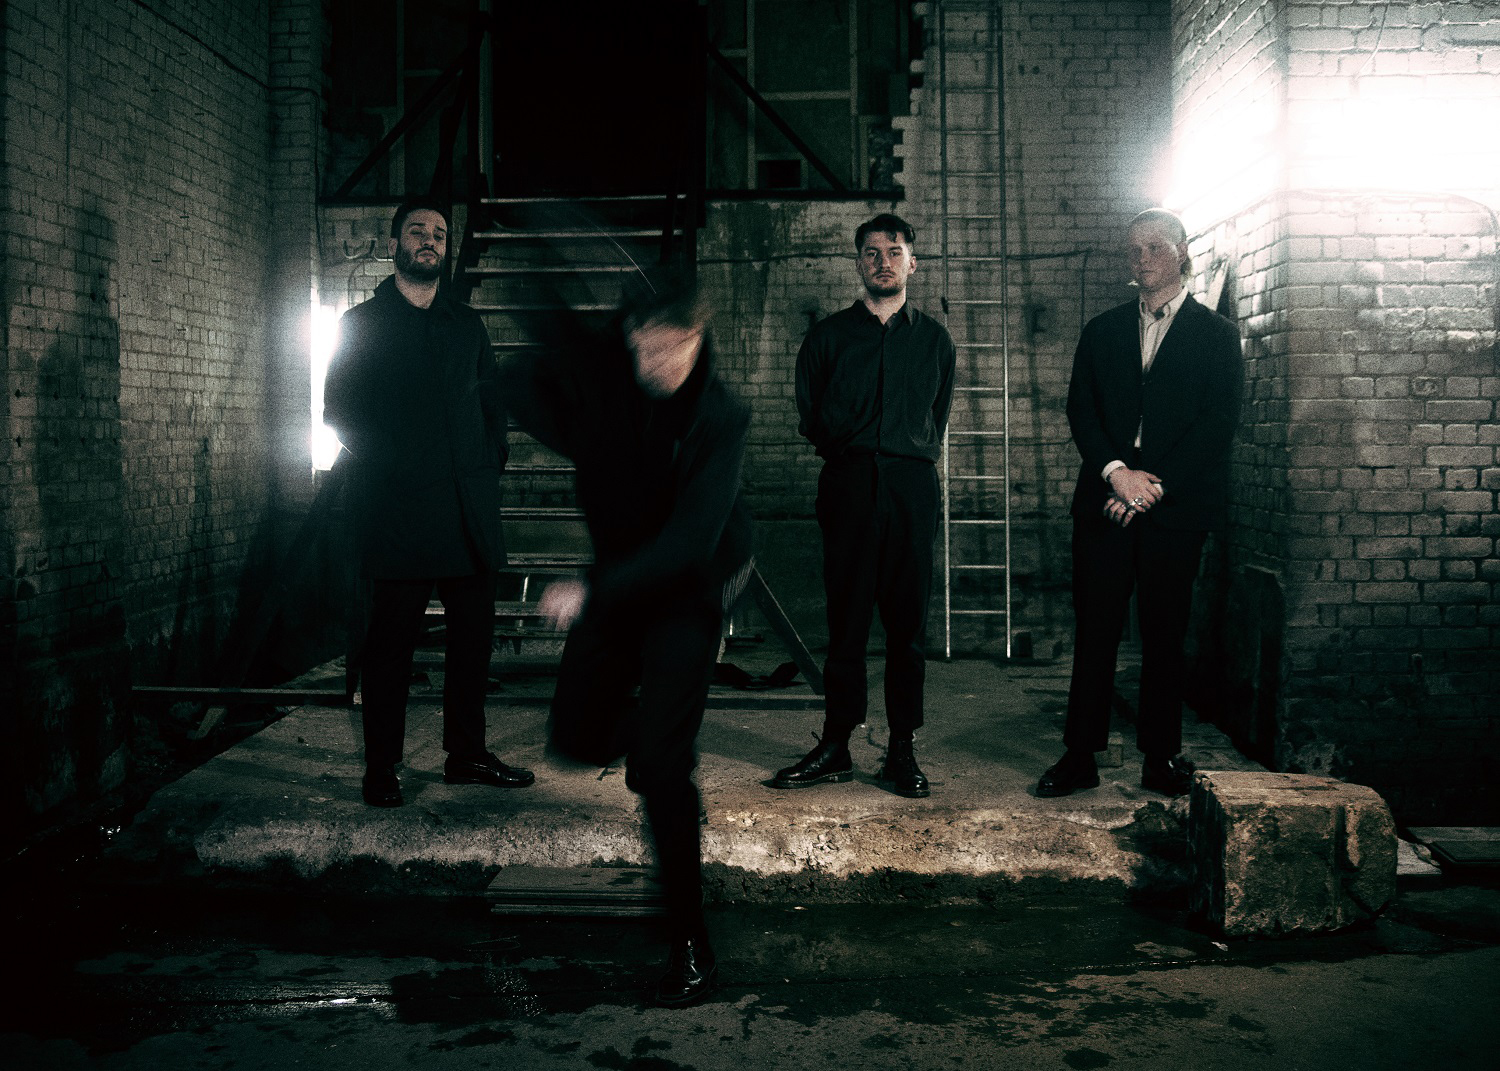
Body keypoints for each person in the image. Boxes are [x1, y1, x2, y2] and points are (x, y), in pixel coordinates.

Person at [499, 272, 752, 1009]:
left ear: (698, 338)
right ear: (630, 338)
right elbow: (524, 372)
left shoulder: (721, 415)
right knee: (575, 738)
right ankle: (662, 747)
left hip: (689, 582)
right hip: (618, 576)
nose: (660, 366)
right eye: (647, 349)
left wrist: (592, 588)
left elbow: (691, 540)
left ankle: (692, 946)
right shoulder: (609, 387)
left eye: (676, 349)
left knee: (658, 770)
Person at [323, 195, 534, 809]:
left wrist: (488, 462)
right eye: (417, 231)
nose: (430, 241)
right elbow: (339, 409)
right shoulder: (362, 323)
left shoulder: (465, 324)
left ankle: (466, 754)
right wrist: (391, 468)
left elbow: (491, 404)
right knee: (390, 649)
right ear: (395, 244)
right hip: (399, 512)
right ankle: (382, 767)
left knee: (472, 644)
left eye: (439, 234)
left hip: (467, 511)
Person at [1036, 207, 1243, 799]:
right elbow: (1082, 410)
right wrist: (1118, 475)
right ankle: (1080, 756)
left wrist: (1150, 488)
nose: (1143, 256)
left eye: (1155, 246)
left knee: (1164, 633)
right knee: (1095, 630)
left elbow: (1217, 423)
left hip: (1174, 509)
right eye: (1134, 248)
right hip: (1105, 500)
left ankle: (1161, 756)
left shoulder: (1216, 334)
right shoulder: (1102, 330)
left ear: (1182, 252)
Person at [774, 213, 956, 798]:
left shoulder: (934, 340)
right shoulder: (828, 337)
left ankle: (901, 749)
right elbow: (810, 413)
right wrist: (854, 447)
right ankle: (835, 744)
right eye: (872, 252)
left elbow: (936, 414)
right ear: (858, 263)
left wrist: (901, 453)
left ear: (912, 262)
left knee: (907, 626)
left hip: (911, 486)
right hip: (849, 483)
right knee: (846, 622)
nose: (883, 261)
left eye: (894, 251)